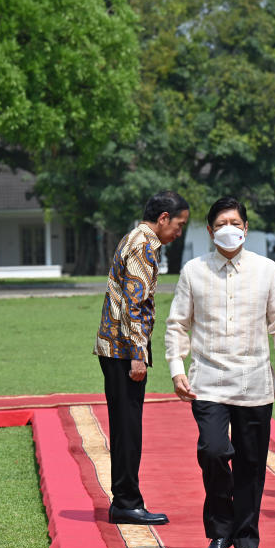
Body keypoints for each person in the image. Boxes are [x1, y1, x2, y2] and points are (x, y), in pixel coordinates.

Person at [165, 196, 275, 548]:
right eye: (222, 223)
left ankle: (246, 539)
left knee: (251, 463)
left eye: (236, 223)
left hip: (254, 382)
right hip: (208, 380)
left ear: (246, 228)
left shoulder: (266, 270)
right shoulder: (194, 271)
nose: (230, 229)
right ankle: (219, 533)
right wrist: (177, 367)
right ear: (210, 231)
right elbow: (178, 323)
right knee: (212, 451)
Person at [94, 190, 189, 525]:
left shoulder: (136, 238)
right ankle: (126, 501)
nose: (179, 232)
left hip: (117, 347)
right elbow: (136, 303)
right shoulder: (143, 245)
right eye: (178, 224)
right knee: (128, 428)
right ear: (163, 218)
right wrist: (138, 354)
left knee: (125, 427)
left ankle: (125, 498)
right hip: (124, 350)